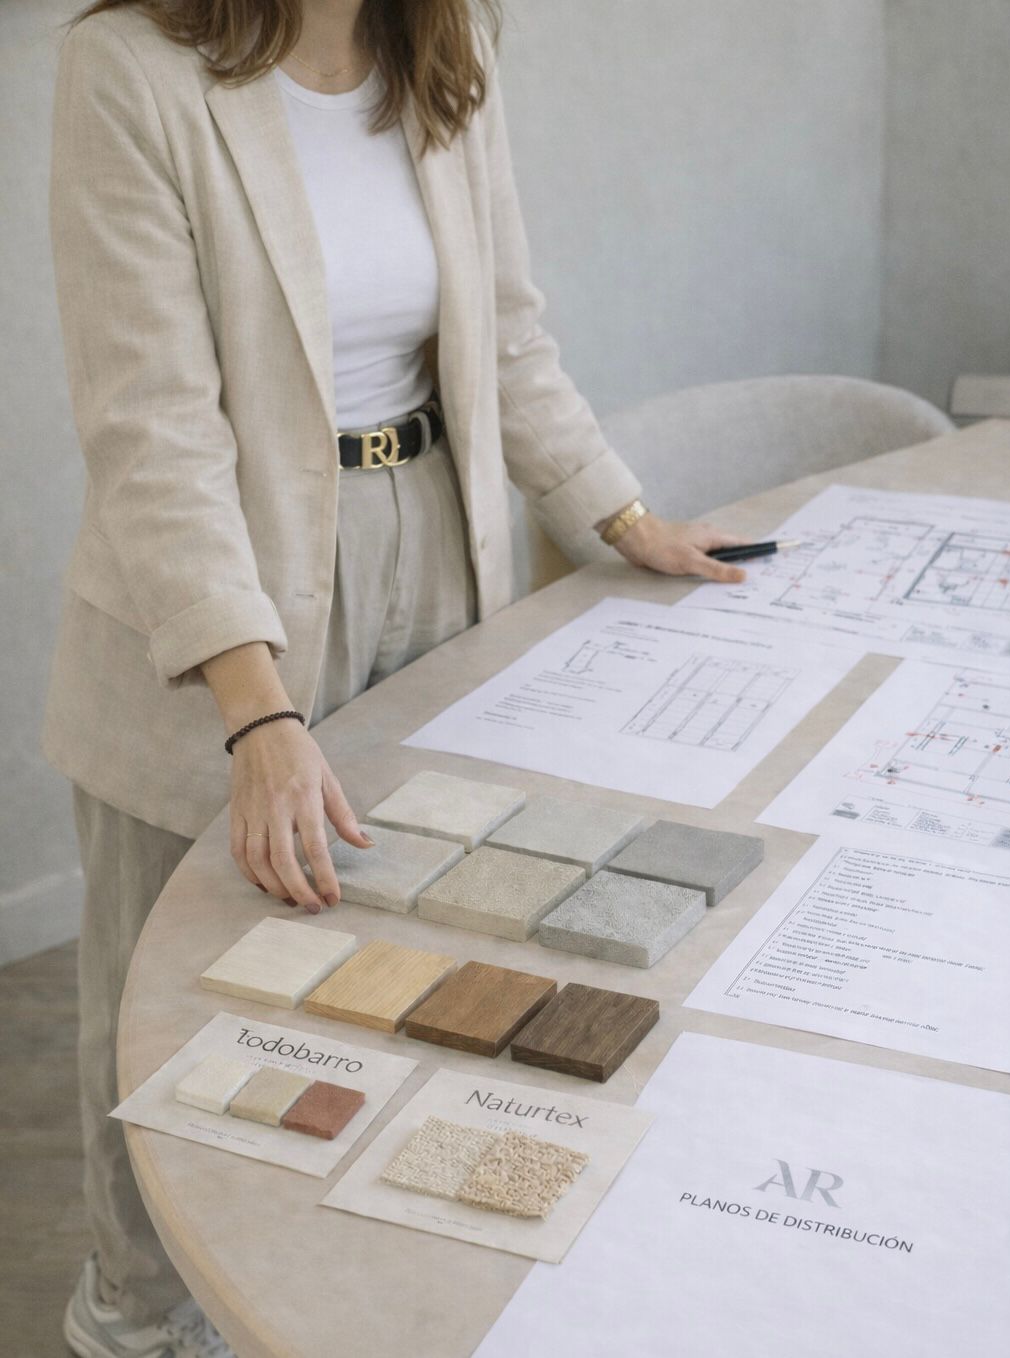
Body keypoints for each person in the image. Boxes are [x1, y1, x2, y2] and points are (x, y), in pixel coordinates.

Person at [44, 0, 747, 1353]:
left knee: (408, 983)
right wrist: (256, 712)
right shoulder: (129, 68)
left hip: (435, 552)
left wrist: (622, 517)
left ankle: (339, 1307)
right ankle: (132, 1322)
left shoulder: (449, 44)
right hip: (217, 608)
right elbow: (151, 428)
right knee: (163, 1018)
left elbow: (508, 338)